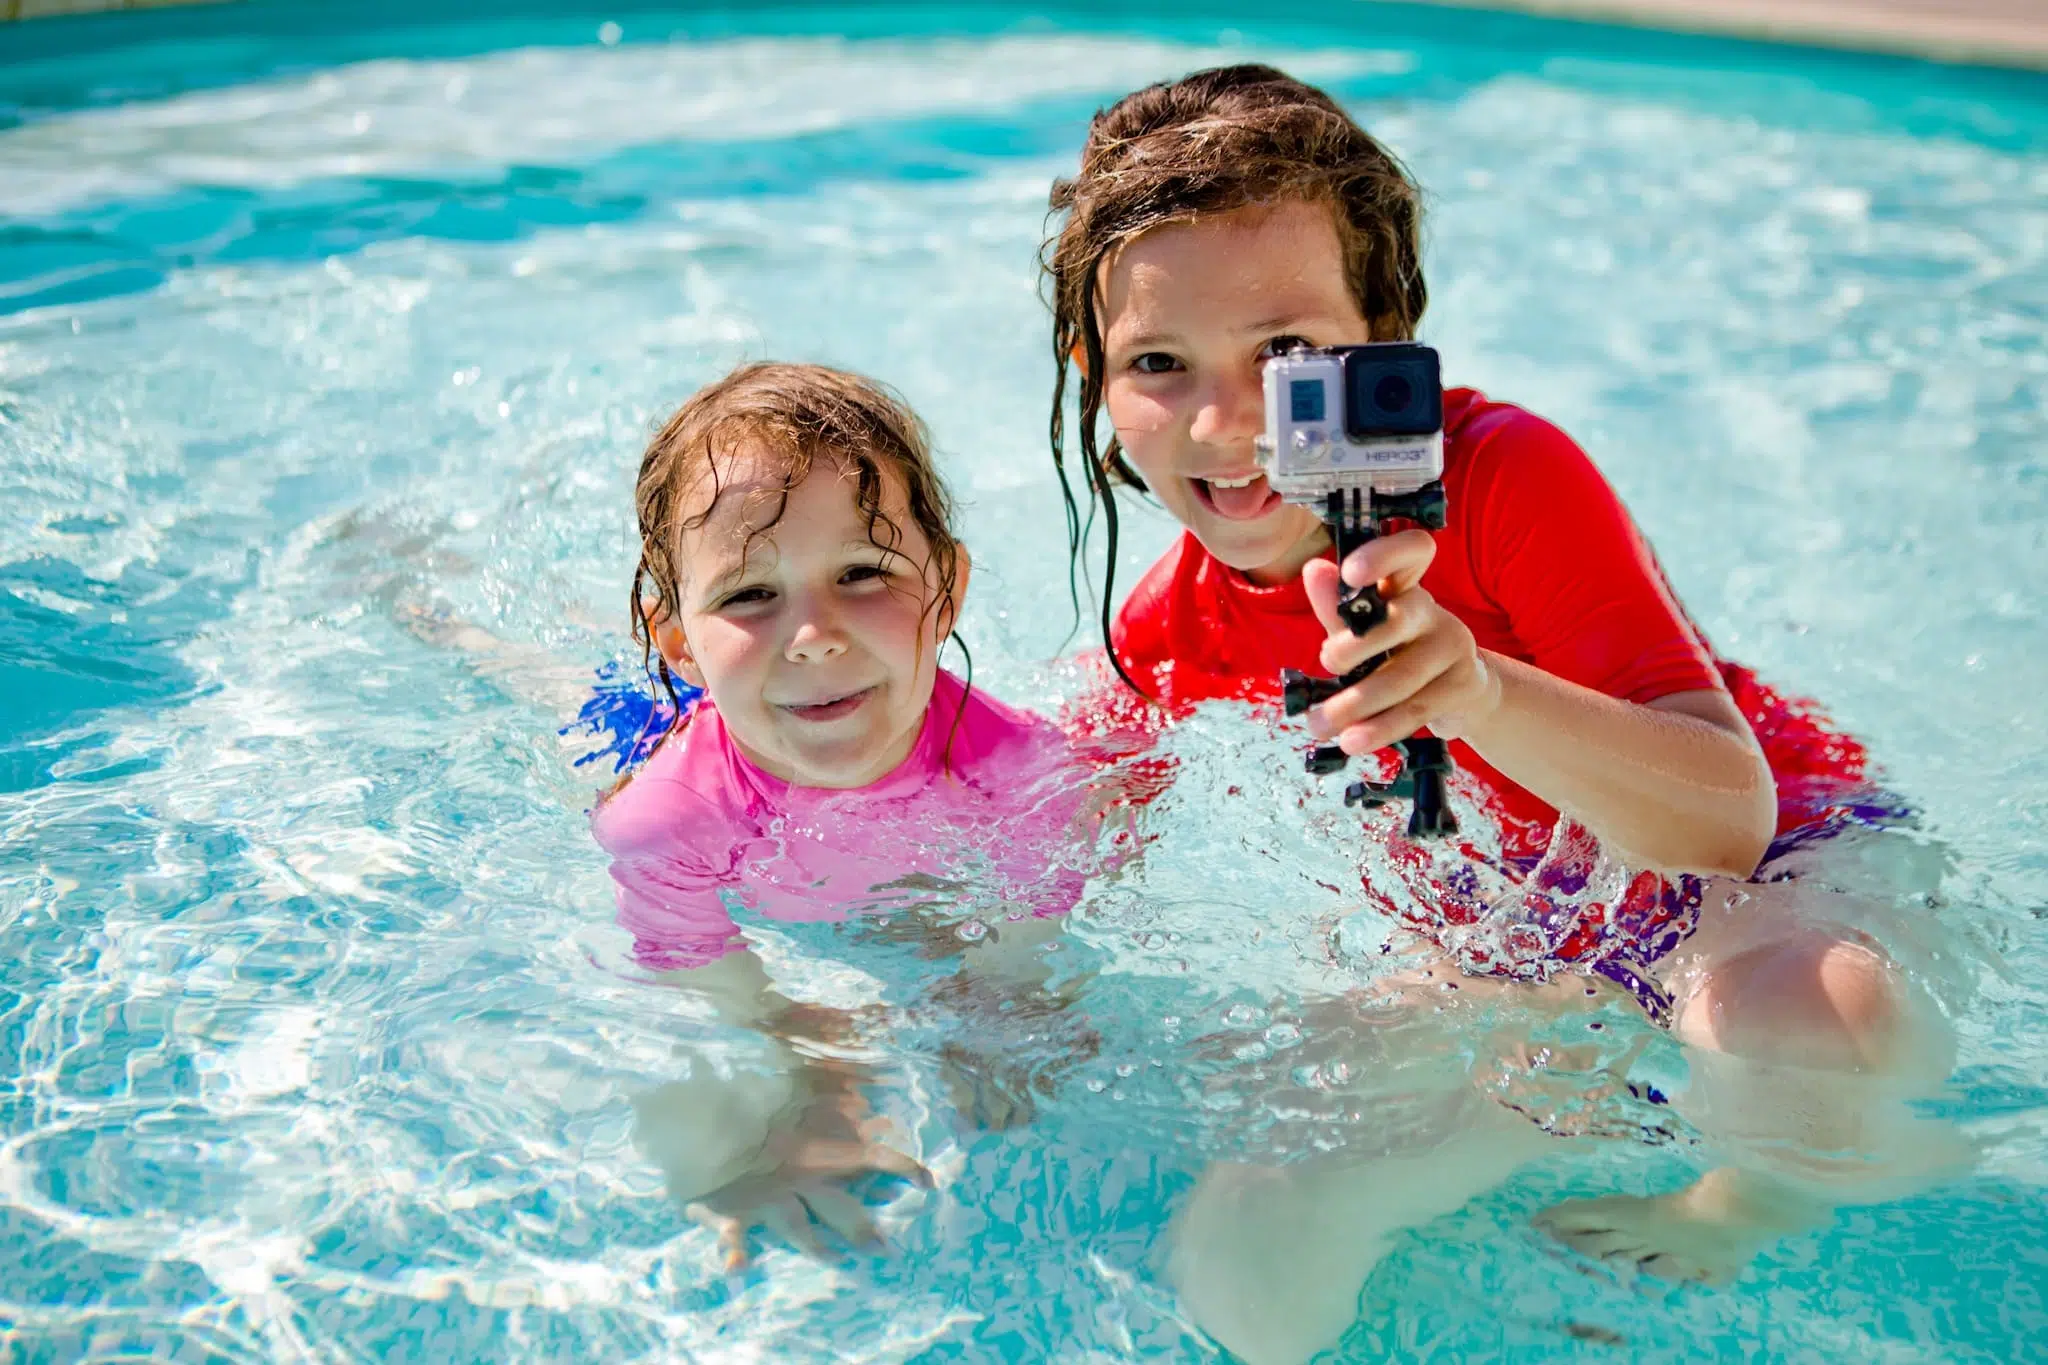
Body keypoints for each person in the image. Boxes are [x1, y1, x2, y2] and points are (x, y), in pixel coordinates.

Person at [1041, 65, 1961, 1364]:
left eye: (1291, 357)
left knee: (1818, 1040)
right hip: (1533, 945)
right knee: (1249, 1234)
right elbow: (1045, 837)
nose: (1228, 419)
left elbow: (1728, 816)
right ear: (1095, 377)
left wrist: (1478, 687)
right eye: (1157, 363)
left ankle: (1743, 1206)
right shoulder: (1166, 628)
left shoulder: (1504, 477)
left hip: (1778, 875)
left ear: (1389, 341)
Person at [596, 361, 1100, 1269]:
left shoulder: (1025, 775)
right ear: (678, 640)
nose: (814, 633)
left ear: (946, 587)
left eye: (863, 572)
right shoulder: (664, 819)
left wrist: (993, 1004)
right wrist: (804, 1063)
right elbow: (697, 975)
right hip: (629, 732)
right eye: (750, 595)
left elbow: (1025, 932)